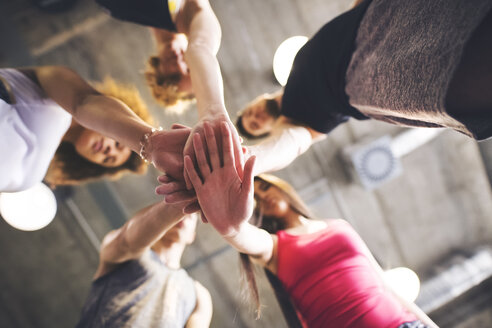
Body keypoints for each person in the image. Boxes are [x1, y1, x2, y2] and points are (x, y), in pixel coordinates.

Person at [160, 123, 438, 328]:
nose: (263, 196)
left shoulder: (338, 225)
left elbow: (385, 285)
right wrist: (226, 218)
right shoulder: (274, 248)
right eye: (254, 198)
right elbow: (238, 233)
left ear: (281, 187)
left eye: (264, 187)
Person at [236, 0, 492, 175]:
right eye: (256, 125)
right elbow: (291, 144)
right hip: (366, 74)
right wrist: (249, 162)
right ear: (269, 129)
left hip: (372, 17)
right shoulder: (295, 122)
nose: (255, 117)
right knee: (448, 66)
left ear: (255, 100)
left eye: (249, 114)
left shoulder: (291, 72)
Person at [95, 0, 244, 191]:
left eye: (174, 76)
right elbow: (200, 48)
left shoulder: (121, 10)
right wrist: (214, 114)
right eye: (190, 67)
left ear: (160, 73)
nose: (180, 64)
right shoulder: (191, 18)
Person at [0, 66, 192, 192]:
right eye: (118, 142)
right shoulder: (61, 102)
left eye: (108, 159)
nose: (109, 150)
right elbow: (83, 102)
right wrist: (150, 142)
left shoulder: (33, 175)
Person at [75, 199, 212, 328]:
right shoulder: (130, 253)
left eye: (191, 215)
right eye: (182, 213)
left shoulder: (199, 295)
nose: (184, 216)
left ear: (192, 237)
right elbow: (127, 240)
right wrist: (179, 201)